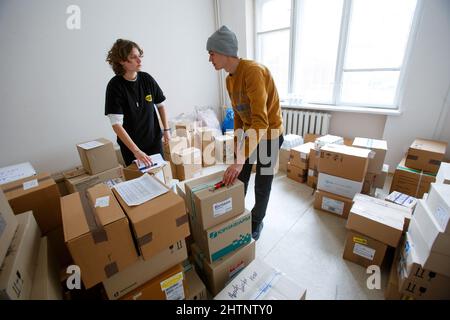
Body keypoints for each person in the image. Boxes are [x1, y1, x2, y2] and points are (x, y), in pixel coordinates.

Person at [206, 26, 284, 241]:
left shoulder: (253, 71)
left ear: (223, 51)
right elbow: (239, 115)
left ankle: (256, 220)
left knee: (262, 183)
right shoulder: (229, 79)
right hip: (251, 133)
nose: (210, 59)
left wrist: (240, 159)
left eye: (211, 54)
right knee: (240, 176)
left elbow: (261, 121)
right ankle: (236, 214)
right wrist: (237, 150)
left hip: (269, 134)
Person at [105, 39, 171, 167]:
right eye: (133, 57)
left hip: (154, 142)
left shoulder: (147, 79)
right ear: (122, 61)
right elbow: (116, 125)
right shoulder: (115, 86)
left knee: (160, 179)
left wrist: (166, 130)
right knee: (139, 181)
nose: (139, 60)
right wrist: (136, 151)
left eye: (139, 56)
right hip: (131, 148)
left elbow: (161, 105)